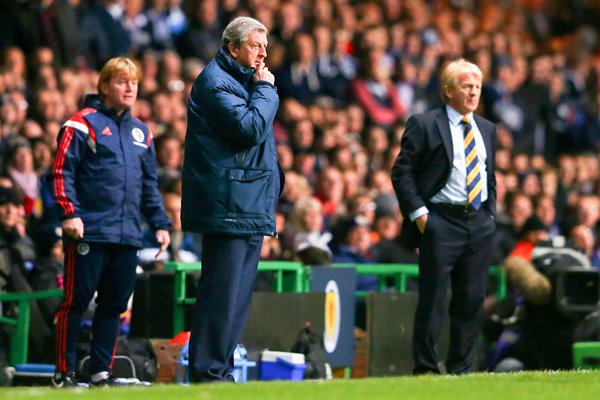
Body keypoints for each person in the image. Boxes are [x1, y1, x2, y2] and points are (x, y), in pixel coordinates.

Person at [51, 57, 171, 387]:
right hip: (89, 229)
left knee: (114, 306)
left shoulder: (142, 133)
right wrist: (69, 212)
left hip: (128, 234)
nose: (130, 87)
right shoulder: (80, 124)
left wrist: (160, 223)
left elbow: (149, 184)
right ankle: (64, 373)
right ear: (104, 86)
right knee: (75, 302)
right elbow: (62, 172)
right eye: (122, 81)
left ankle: (101, 371)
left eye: (134, 81)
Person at [181, 16, 281, 383]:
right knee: (220, 296)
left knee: (236, 300)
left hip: (247, 201)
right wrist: (266, 90)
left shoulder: (242, 81)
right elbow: (250, 128)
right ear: (232, 47)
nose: (263, 54)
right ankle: (208, 372)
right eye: (256, 45)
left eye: (265, 47)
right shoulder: (216, 83)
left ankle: (219, 371)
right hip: (228, 204)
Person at [391, 58, 497, 375]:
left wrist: (490, 214)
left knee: (472, 299)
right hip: (440, 220)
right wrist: (422, 216)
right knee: (434, 299)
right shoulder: (424, 123)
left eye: (477, 86)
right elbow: (402, 172)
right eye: (467, 86)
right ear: (448, 90)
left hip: (478, 222)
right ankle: (425, 369)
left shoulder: (488, 129)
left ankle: (461, 369)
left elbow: (489, 175)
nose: (474, 92)